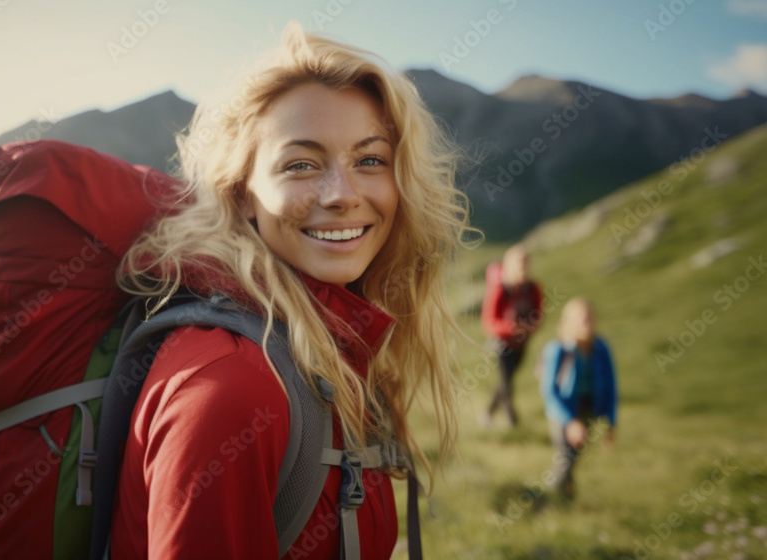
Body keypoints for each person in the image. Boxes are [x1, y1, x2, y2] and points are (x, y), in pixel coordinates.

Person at [108, 22, 470, 559]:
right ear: (243, 194)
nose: (342, 195)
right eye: (301, 164)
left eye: (370, 159)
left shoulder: (328, 348)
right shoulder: (230, 388)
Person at [539, 297, 617, 498]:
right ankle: (549, 499)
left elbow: (611, 384)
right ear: (569, 322)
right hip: (562, 411)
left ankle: (564, 498)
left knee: (572, 458)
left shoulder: (601, 348)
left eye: (590, 318)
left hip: (588, 409)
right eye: (582, 319)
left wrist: (611, 421)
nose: (587, 323)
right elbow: (549, 391)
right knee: (565, 458)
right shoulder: (558, 350)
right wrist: (570, 421)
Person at [480, 244, 543, 428]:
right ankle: (513, 422)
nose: (522, 268)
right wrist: (511, 328)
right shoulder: (500, 290)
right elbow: (488, 323)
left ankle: (487, 414)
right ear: (508, 266)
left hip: (522, 344)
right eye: (518, 264)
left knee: (506, 381)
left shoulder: (533, 288)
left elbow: (539, 315)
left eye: (525, 264)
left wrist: (531, 327)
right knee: (507, 383)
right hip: (501, 344)